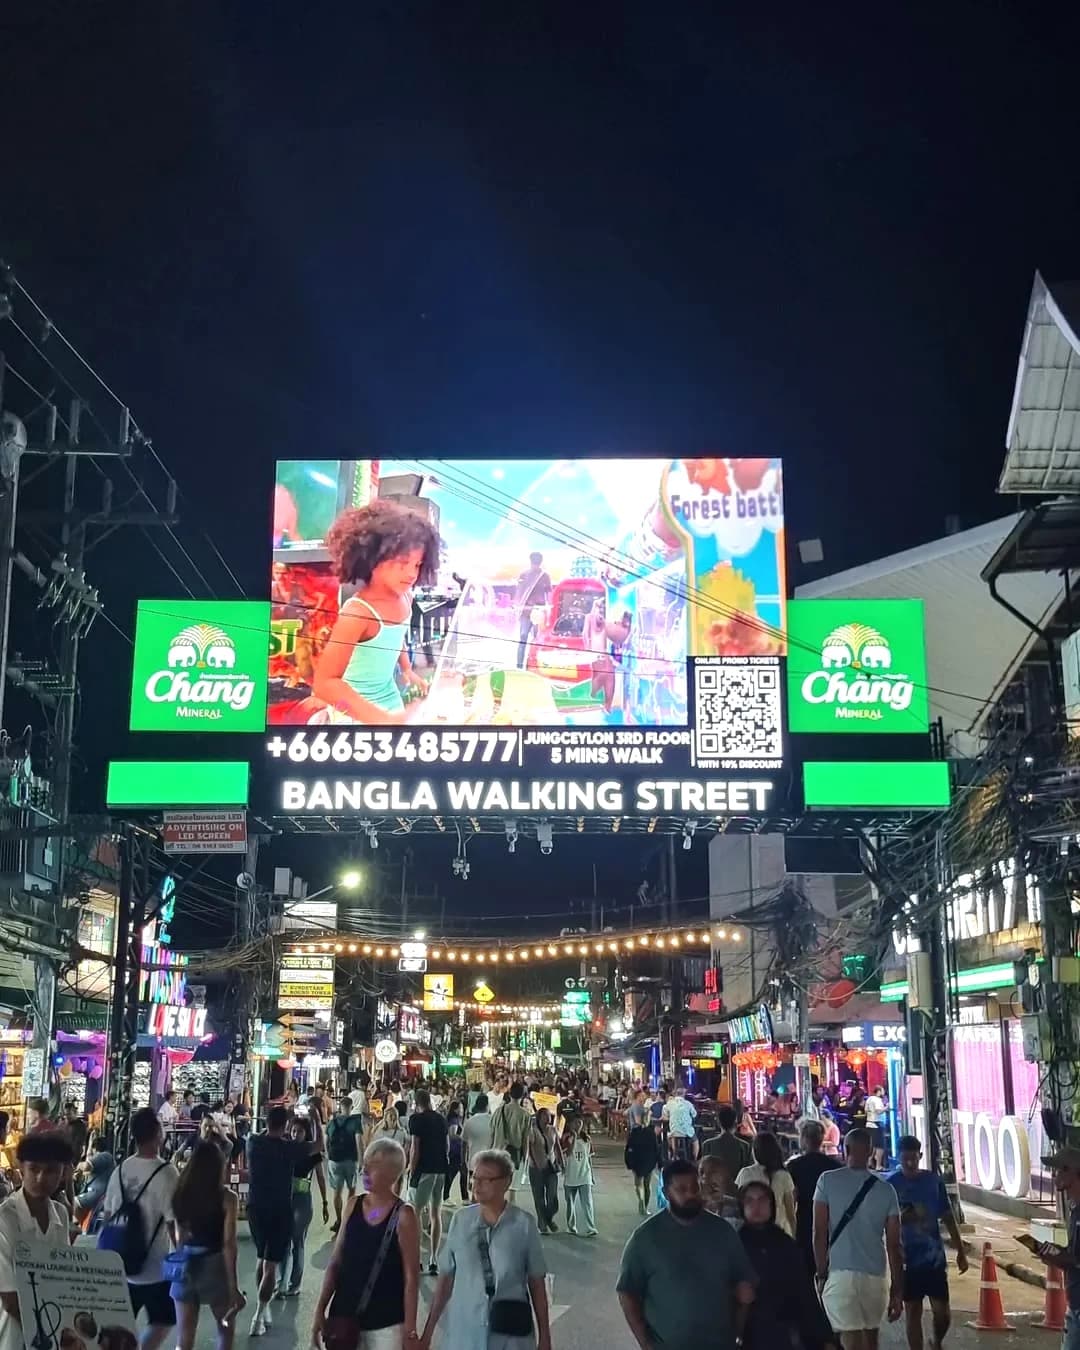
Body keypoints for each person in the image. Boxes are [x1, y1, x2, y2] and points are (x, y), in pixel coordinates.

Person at [312, 500, 440, 724]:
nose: (411, 573)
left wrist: (407, 669)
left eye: (417, 565)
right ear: (372, 557)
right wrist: (379, 719)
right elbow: (325, 684)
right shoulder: (358, 613)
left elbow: (395, 636)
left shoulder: (405, 598)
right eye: (403, 562)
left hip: (390, 700)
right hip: (353, 712)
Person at [419, 1148, 551, 1350]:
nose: (476, 1185)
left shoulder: (524, 1225)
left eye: (486, 1179)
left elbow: (536, 1283)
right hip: (465, 1332)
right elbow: (445, 1280)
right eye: (474, 1177)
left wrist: (545, 1337)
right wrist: (427, 1333)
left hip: (509, 1335)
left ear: (506, 1182)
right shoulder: (461, 1221)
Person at [617, 1158, 756, 1350]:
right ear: (666, 1193)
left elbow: (744, 1286)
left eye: (695, 1187)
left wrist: (737, 1334)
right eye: (682, 1189)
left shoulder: (723, 1231)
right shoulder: (646, 1238)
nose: (691, 1194)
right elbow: (627, 1291)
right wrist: (645, 1343)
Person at [313, 1138, 420, 1350]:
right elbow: (335, 1262)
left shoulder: (404, 1215)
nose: (365, 1169)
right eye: (366, 1162)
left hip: (386, 1324)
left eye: (375, 1165)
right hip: (343, 1315)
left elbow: (411, 1278)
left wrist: (410, 1330)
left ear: (393, 1173)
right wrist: (320, 1310)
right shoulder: (353, 1205)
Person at [813, 1126, 904, 1350]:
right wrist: (897, 1290)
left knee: (850, 1338)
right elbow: (894, 1245)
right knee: (871, 1337)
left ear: (846, 1149)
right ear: (871, 1151)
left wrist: (821, 1271)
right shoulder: (886, 1190)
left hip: (839, 1274)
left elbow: (819, 1232)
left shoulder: (826, 1181)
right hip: (876, 1275)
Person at [102, 1108, 179, 1350]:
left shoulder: (120, 1170)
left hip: (120, 1265)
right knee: (165, 1320)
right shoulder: (167, 1173)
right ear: (158, 1134)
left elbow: (107, 1216)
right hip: (155, 1267)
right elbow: (172, 1222)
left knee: (120, 1328)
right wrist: (181, 1258)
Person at [887, 1136, 967, 1350]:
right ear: (899, 1158)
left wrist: (960, 1249)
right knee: (912, 1311)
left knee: (943, 1313)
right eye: (906, 1159)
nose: (911, 1164)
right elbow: (882, 1221)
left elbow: (947, 1215)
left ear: (920, 1156)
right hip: (906, 1260)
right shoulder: (890, 1185)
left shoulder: (933, 1181)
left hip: (934, 1259)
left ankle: (937, 1341)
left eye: (914, 1158)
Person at [738, 1179, 836, 1350]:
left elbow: (805, 1292)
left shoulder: (785, 1244)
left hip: (786, 1332)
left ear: (772, 1204)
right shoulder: (735, 1244)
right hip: (749, 1333)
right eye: (749, 1200)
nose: (756, 1206)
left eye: (762, 1200)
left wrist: (824, 1336)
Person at [246, 1104, 316, 1335]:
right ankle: (259, 1314)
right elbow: (318, 1146)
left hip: (255, 1208)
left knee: (261, 1257)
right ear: (285, 1125)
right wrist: (315, 1120)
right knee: (271, 1265)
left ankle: (262, 1309)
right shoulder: (288, 1149)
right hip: (280, 1209)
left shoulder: (253, 1143)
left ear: (266, 1122)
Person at [0, 1133, 72, 1350]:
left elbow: (66, 1276)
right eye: (34, 1169)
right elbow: (10, 1297)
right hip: (15, 1333)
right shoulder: (5, 1218)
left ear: (63, 1172)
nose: (41, 1178)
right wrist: (51, 1331)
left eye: (51, 1170)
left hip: (53, 1327)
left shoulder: (61, 1214)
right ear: (21, 1168)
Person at [169, 1141, 243, 1350]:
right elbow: (229, 1244)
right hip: (215, 1265)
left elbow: (179, 1236)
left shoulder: (180, 1194)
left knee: (184, 1336)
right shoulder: (227, 1198)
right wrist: (233, 1286)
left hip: (185, 1265)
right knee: (224, 1330)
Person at [1031, 1145, 1080, 1350]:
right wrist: (1055, 1252)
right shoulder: (1074, 1207)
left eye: (1059, 1169)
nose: (1054, 1175)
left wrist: (1056, 1256)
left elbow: (1076, 1259)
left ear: (1072, 1172)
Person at [276, 1116, 329, 1299]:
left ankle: (295, 1283)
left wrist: (324, 1202)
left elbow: (321, 1178)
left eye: (299, 1131)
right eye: (293, 1131)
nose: (295, 1134)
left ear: (306, 1133)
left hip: (303, 1199)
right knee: (284, 1242)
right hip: (284, 1198)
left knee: (297, 1241)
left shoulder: (312, 1153)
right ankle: (281, 1282)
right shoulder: (286, 1148)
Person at [788, 1118, 842, 1275]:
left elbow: (792, 1197)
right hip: (831, 1223)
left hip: (805, 1221)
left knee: (806, 1270)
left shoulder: (795, 1166)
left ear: (804, 1139)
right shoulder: (834, 1166)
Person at [408, 1088, 448, 1276]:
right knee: (435, 1213)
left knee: (415, 1213)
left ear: (417, 1103)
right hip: (440, 1169)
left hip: (423, 1170)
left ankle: (416, 1259)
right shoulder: (441, 1119)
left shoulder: (416, 1120)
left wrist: (411, 1169)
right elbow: (446, 1145)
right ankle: (433, 1258)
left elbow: (415, 1148)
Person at [735, 1131, 797, 1237]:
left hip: (751, 1232)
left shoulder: (745, 1173)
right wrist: (794, 1235)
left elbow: (738, 1203)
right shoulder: (783, 1175)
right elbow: (790, 1212)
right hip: (780, 1232)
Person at [326, 1094, 364, 1233]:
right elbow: (359, 1141)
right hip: (350, 1159)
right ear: (351, 1107)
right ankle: (348, 1218)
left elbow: (326, 1140)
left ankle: (338, 1220)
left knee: (337, 1191)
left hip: (334, 1160)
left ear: (340, 1107)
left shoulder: (332, 1122)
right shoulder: (355, 1122)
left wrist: (328, 1155)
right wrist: (361, 1160)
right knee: (351, 1189)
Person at [514, 551, 553, 668]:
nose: (535, 565)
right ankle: (519, 666)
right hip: (526, 612)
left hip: (539, 612)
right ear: (531, 562)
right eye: (534, 562)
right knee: (523, 637)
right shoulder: (524, 575)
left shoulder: (545, 576)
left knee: (537, 640)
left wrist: (549, 609)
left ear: (540, 562)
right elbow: (519, 592)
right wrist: (517, 606)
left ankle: (533, 666)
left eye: (537, 562)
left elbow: (549, 593)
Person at [526, 1109, 561, 1235]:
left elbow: (557, 1146)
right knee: (539, 1198)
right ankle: (542, 1225)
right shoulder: (533, 1131)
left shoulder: (553, 1130)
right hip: (536, 1169)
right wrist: (535, 1163)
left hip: (550, 1167)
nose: (548, 1118)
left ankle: (548, 1218)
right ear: (539, 1117)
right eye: (545, 1116)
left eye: (549, 1115)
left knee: (553, 1199)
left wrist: (561, 1161)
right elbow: (529, 1148)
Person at [561, 1116, 597, 1238]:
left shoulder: (587, 1139)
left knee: (587, 1203)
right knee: (570, 1203)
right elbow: (568, 1153)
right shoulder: (566, 1138)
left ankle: (591, 1227)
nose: (578, 1125)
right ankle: (571, 1227)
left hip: (584, 1174)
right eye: (575, 1123)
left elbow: (589, 1157)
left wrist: (591, 1174)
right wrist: (574, 1138)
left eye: (580, 1123)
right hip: (571, 1175)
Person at [702, 1103, 754, 1174]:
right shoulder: (745, 1146)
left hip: (714, 1184)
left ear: (718, 1122)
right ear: (735, 1123)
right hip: (737, 1184)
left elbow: (703, 1171)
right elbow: (749, 1172)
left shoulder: (707, 1145)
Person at [491, 1082, 531, 1174]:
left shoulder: (499, 1110)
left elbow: (491, 1133)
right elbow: (525, 1139)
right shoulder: (525, 1115)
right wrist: (526, 1159)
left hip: (498, 1152)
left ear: (509, 1094)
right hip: (514, 1155)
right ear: (522, 1095)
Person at [624, 1118, 661, 1215]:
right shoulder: (651, 1133)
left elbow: (629, 1147)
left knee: (638, 1184)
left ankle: (641, 1201)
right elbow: (656, 1148)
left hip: (637, 1160)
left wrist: (628, 1161)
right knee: (647, 1185)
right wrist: (660, 1162)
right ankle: (645, 1207)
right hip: (649, 1160)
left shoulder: (634, 1132)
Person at [74, 1145, 115, 1229]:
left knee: (73, 1201)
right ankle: (79, 1225)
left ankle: (75, 1224)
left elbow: (86, 1166)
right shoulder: (103, 1162)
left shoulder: (103, 1155)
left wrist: (75, 1166)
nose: (88, 1155)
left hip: (97, 1195)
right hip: (97, 1195)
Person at [462, 1093, 494, 1183]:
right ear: (487, 1105)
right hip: (489, 1163)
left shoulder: (469, 1122)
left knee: (474, 1189)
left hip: (473, 1163)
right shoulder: (493, 1121)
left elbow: (463, 1145)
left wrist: (463, 1162)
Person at [700, 1155, 741, 1224]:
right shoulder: (692, 1209)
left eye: (714, 1185)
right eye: (701, 1172)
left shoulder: (736, 1208)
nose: (705, 1177)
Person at [661, 1085, 698, 1161]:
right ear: (684, 1094)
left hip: (674, 1131)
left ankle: (675, 1155)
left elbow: (665, 1117)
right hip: (686, 1131)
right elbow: (694, 1114)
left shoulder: (669, 1103)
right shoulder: (688, 1104)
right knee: (695, 1141)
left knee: (672, 1135)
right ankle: (695, 1159)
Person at [445, 1102, 468, 1206]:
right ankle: (446, 1196)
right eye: (461, 1108)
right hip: (455, 1151)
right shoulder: (454, 1121)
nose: (462, 1110)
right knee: (453, 1174)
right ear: (455, 1110)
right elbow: (452, 1134)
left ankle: (465, 1197)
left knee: (461, 1174)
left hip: (457, 1150)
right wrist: (463, 1138)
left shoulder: (457, 1120)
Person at [865, 1088, 888, 1169]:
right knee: (880, 1146)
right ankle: (878, 1165)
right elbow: (878, 1111)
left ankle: (870, 1160)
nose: (883, 1093)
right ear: (878, 1091)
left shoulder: (869, 1099)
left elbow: (865, 1110)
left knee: (874, 1144)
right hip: (877, 1123)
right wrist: (886, 1107)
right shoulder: (877, 1100)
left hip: (870, 1123)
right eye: (882, 1091)